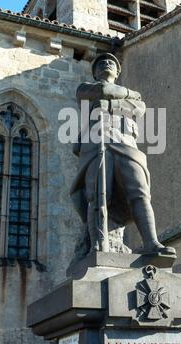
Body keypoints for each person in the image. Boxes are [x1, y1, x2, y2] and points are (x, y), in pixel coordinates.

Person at [70, 52, 175, 256]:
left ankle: (151, 243)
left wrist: (107, 104)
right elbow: (102, 89)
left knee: (140, 192)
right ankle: (98, 247)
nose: (107, 63)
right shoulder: (85, 88)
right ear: (94, 73)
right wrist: (126, 99)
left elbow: (141, 108)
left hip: (126, 143)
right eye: (101, 63)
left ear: (118, 72)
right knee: (97, 196)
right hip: (96, 145)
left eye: (111, 62)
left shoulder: (129, 93)